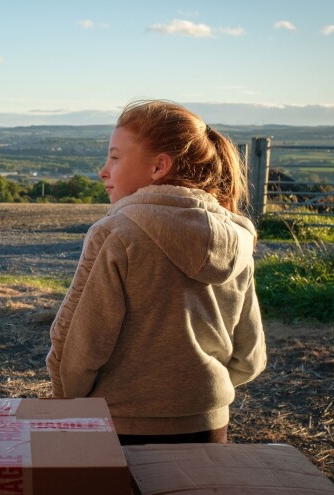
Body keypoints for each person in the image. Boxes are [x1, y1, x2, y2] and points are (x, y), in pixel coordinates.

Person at [46, 99, 267, 445]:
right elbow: (250, 357)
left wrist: (66, 400)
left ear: (159, 167)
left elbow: (77, 347)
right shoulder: (238, 238)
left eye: (115, 157)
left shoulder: (116, 234)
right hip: (209, 423)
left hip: (122, 425)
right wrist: (198, 390)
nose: (103, 170)